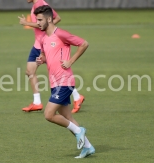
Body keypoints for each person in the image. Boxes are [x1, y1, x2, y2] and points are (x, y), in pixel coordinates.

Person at [34, 5, 95, 158]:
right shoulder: (42, 38)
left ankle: (79, 131)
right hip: (54, 83)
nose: (38, 23)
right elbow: (47, 56)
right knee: (67, 117)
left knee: (48, 114)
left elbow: (84, 43)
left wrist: (70, 61)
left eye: (40, 20)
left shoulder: (60, 34)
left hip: (65, 81)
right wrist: (42, 59)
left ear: (49, 19)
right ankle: (88, 147)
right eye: (37, 20)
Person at [18, 0, 85, 113]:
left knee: (56, 71)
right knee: (30, 71)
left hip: (45, 44)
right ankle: (38, 102)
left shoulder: (40, 4)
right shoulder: (38, 4)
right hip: (39, 43)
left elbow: (56, 19)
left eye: (40, 20)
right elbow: (54, 19)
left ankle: (76, 97)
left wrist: (27, 23)